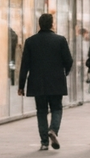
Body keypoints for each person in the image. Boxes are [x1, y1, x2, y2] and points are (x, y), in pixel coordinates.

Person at [18, 13, 73, 151]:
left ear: (39, 24)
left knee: (41, 111)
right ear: (52, 24)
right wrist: (64, 72)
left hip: (37, 82)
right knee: (57, 108)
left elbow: (25, 65)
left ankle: (44, 142)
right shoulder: (60, 40)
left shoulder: (30, 41)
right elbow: (69, 61)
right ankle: (53, 130)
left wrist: (21, 85)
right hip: (56, 81)